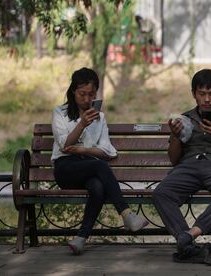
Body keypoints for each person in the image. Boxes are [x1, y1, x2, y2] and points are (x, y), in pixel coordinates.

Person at [152, 69, 211, 263]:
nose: (207, 99)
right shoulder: (184, 119)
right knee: (161, 193)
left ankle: (190, 235)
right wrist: (177, 137)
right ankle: (185, 242)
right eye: (202, 94)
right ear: (194, 94)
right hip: (189, 166)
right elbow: (174, 159)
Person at [51, 67, 148, 255]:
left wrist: (85, 149)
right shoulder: (60, 113)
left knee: (97, 187)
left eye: (91, 94)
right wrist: (81, 125)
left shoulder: (100, 117)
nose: (87, 100)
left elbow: (107, 150)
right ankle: (127, 214)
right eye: (82, 94)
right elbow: (64, 145)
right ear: (73, 91)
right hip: (65, 168)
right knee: (98, 165)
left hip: (89, 167)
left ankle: (80, 239)